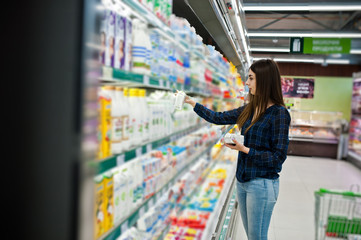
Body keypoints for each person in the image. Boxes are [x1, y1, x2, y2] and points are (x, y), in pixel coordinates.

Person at [182, 59, 291, 240]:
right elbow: (217, 117)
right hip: (243, 181)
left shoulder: (279, 113)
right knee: (252, 236)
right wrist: (192, 103)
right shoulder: (251, 108)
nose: (246, 83)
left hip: (262, 184)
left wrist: (245, 149)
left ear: (264, 81)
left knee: (257, 237)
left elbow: (278, 157)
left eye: (250, 78)